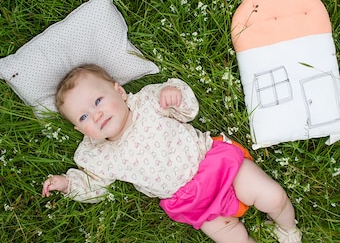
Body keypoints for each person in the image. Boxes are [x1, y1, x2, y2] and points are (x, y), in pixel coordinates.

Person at [42, 64, 302, 243]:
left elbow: (188, 112)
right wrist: (67, 184)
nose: (96, 114)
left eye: (98, 101)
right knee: (232, 238)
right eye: (84, 116)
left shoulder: (147, 102)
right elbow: (94, 185)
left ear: (119, 92)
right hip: (191, 201)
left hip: (214, 165)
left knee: (273, 197)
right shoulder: (99, 154)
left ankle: (288, 228)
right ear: (80, 129)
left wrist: (175, 95)